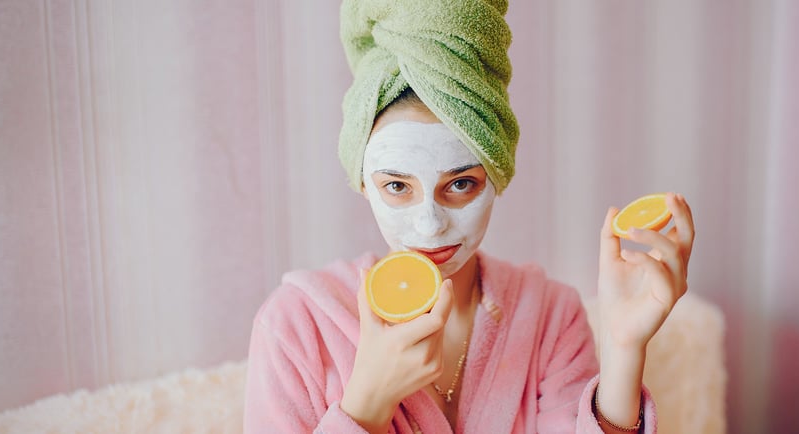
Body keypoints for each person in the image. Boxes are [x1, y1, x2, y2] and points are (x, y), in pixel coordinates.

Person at [243, 1, 695, 433]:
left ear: (496, 176)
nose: (429, 225)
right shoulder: (296, 325)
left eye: (460, 184)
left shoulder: (550, 316)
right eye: (397, 187)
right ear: (364, 184)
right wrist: (368, 403)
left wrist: (622, 348)